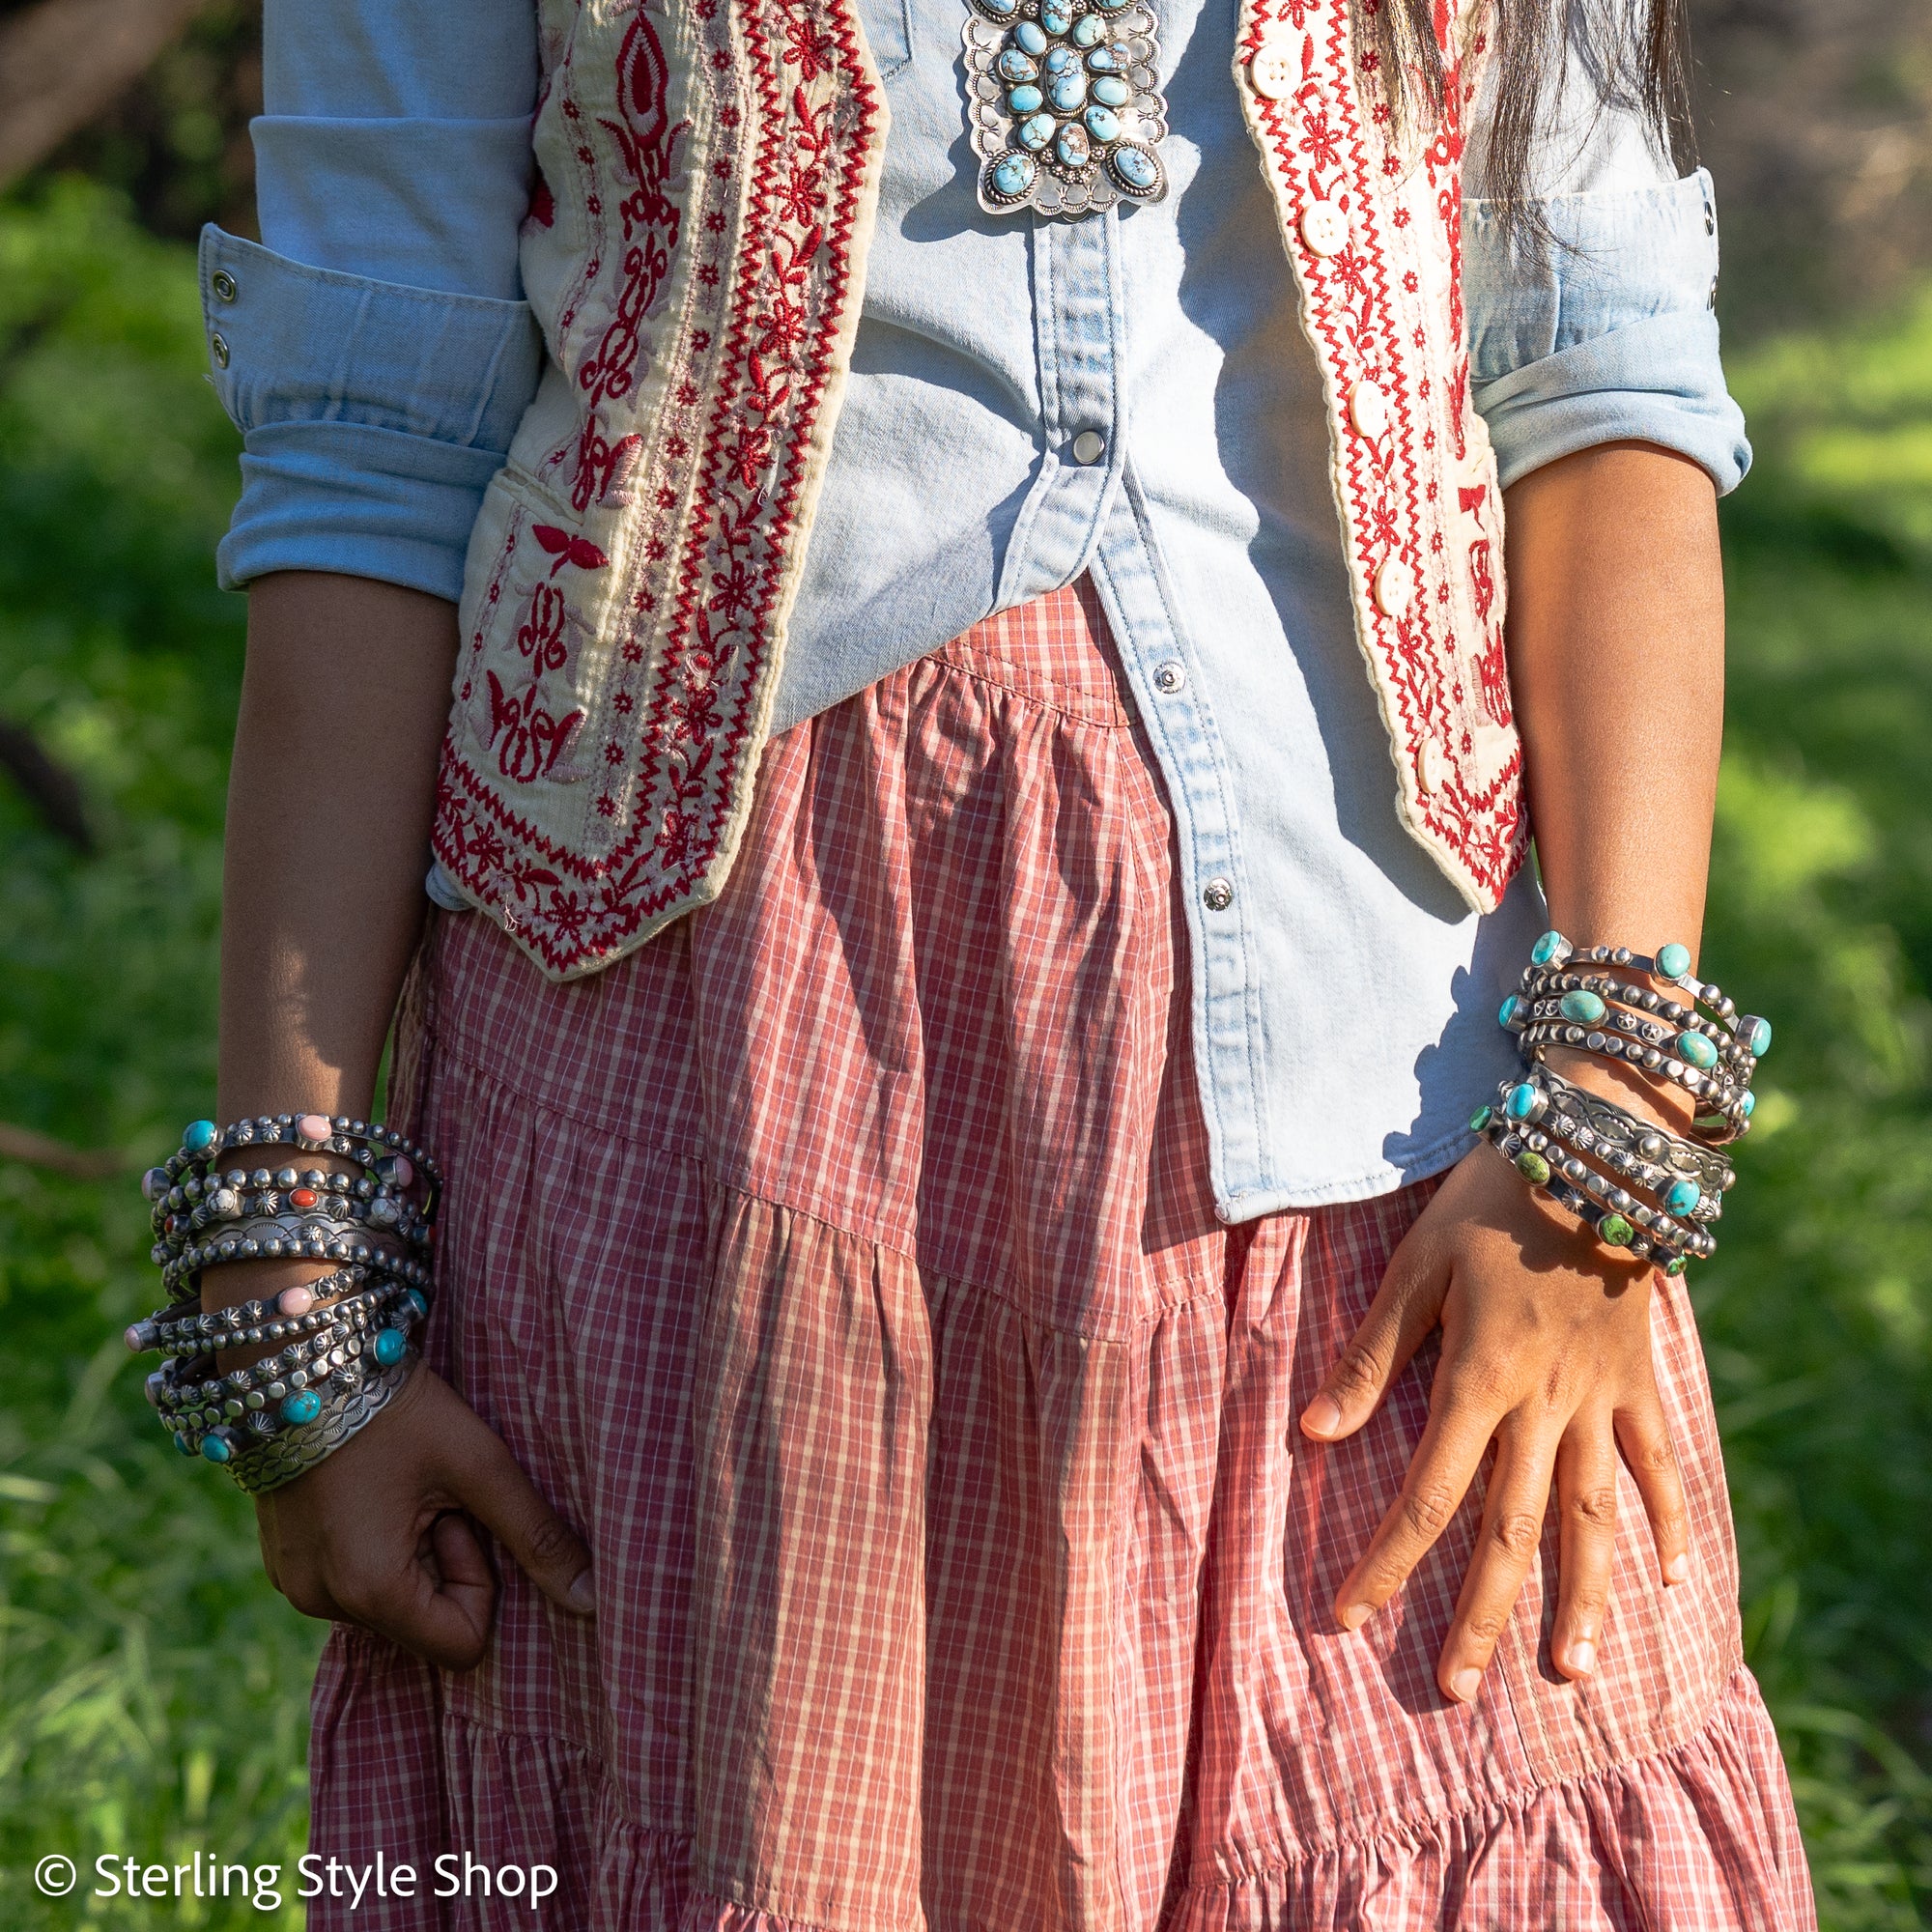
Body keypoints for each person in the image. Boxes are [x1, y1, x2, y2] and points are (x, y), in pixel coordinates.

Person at [168, 0, 1812, 1919]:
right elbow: (372, 463)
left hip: (1415, 1128)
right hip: (708, 1125)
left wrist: (1610, 1119)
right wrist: (287, 1275)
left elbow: (1599, 386)